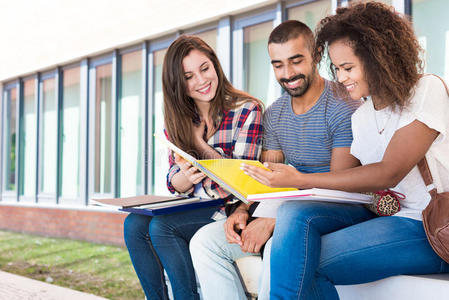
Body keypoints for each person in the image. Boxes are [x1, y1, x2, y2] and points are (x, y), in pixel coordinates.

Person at [241, 2, 449, 299]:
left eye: (348, 68)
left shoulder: (427, 91)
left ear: (378, 60)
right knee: (295, 213)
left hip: (431, 228)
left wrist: (300, 179)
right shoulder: (361, 117)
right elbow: (354, 185)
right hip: (387, 218)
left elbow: (387, 173)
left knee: (305, 265)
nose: (340, 77)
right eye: (336, 68)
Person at [190, 20, 362, 300]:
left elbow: (339, 190)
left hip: (336, 209)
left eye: (296, 61)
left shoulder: (344, 106)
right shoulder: (275, 113)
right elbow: (267, 178)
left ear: (317, 55)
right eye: (278, 64)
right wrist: (244, 210)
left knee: (278, 245)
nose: (288, 73)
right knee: (205, 242)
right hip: (288, 207)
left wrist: (274, 219)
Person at [123, 35, 263, 300]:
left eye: (205, 68)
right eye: (189, 76)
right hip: (193, 205)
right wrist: (184, 178)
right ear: (178, 83)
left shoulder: (246, 109)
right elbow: (172, 181)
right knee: (133, 225)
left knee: (162, 228)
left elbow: (243, 179)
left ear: (215, 66)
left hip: (230, 207)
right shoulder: (178, 119)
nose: (201, 81)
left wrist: (199, 143)